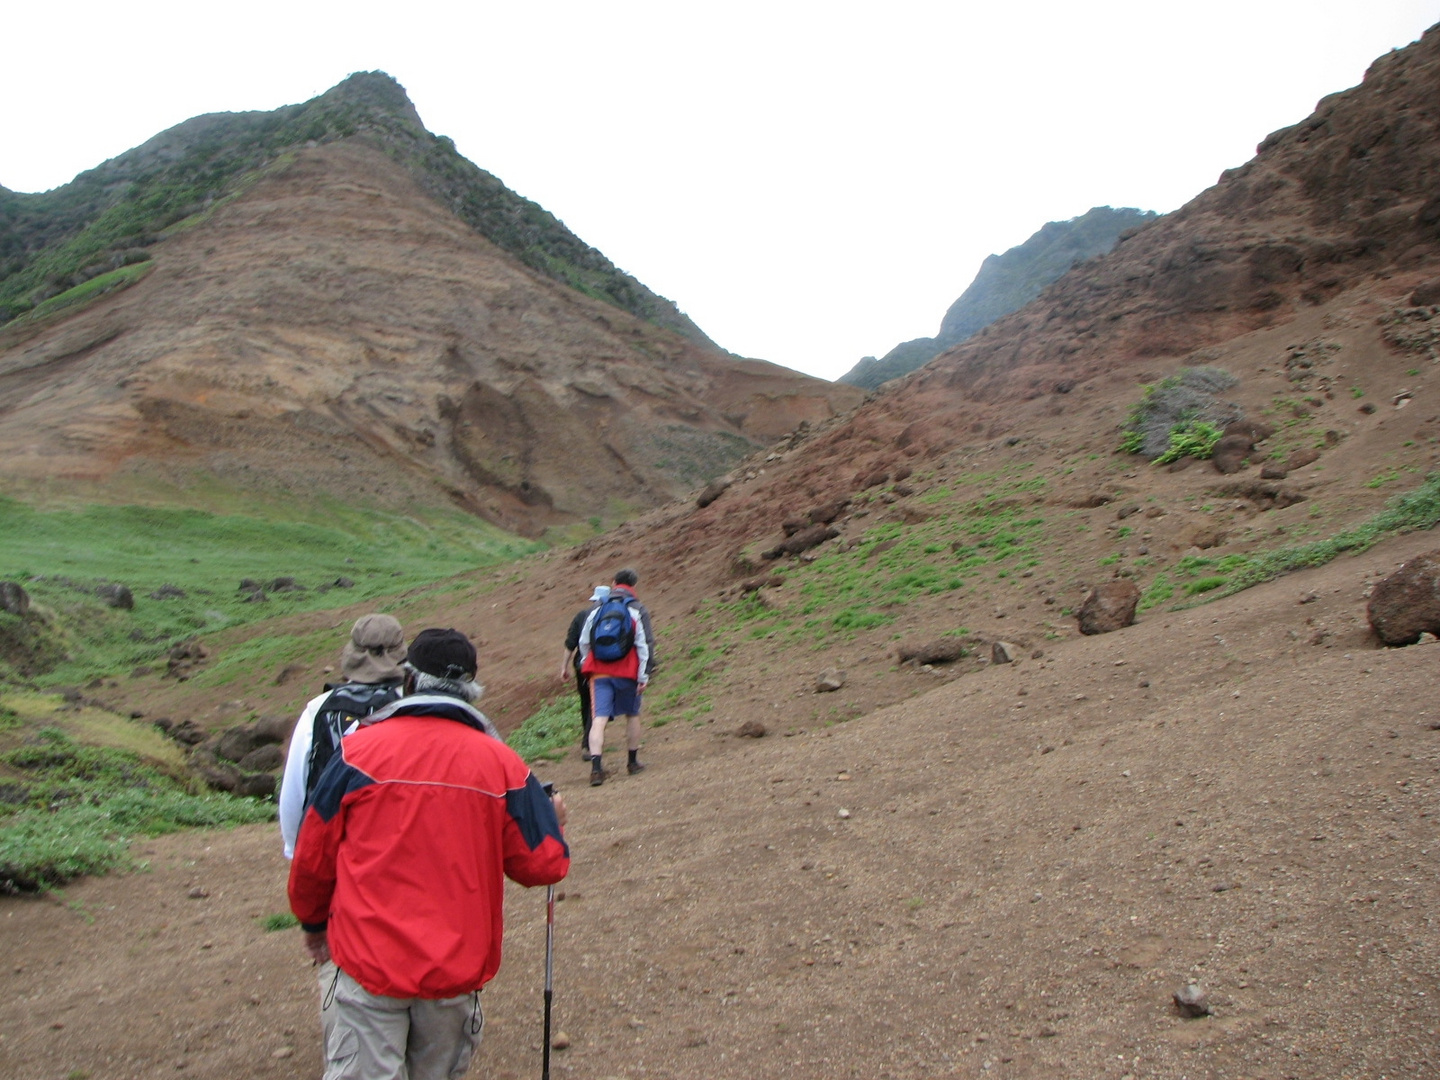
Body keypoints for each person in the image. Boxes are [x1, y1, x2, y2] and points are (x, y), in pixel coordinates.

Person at [289, 628, 570, 1080]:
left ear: (409, 680)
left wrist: (313, 923)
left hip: (367, 960)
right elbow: (544, 865)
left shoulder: (359, 752)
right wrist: (552, 822)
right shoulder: (503, 764)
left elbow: (312, 853)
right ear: (472, 689)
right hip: (453, 973)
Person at [278, 613, 408, 860]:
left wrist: (295, 849)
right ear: (402, 654)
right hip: (398, 852)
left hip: (332, 851)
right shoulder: (415, 706)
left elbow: (295, 789)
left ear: (352, 655)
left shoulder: (319, 709)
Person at [578, 568, 655, 786]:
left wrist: (587, 664)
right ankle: (632, 762)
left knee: (599, 719)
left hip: (600, 672)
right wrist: (643, 675)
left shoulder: (597, 609)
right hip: (627, 672)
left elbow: (584, 642)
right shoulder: (636, 611)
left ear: (613, 583)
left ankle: (595, 769)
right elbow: (643, 645)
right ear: (634, 585)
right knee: (632, 714)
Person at [560, 585, 609, 760]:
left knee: (586, 702)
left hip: (581, 665)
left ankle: (589, 739)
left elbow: (570, 644)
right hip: (602, 665)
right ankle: (588, 743)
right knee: (597, 705)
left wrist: (564, 667)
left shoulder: (582, 616)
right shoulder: (610, 615)